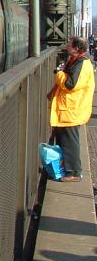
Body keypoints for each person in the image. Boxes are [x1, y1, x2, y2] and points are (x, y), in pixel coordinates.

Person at [46, 36, 94, 182]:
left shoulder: (82, 64)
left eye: (70, 44)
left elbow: (70, 84)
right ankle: (67, 169)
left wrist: (58, 73)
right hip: (68, 108)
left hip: (72, 109)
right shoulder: (76, 61)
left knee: (69, 141)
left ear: (77, 48)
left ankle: (73, 172)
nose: (67, 46)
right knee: (64, 140)